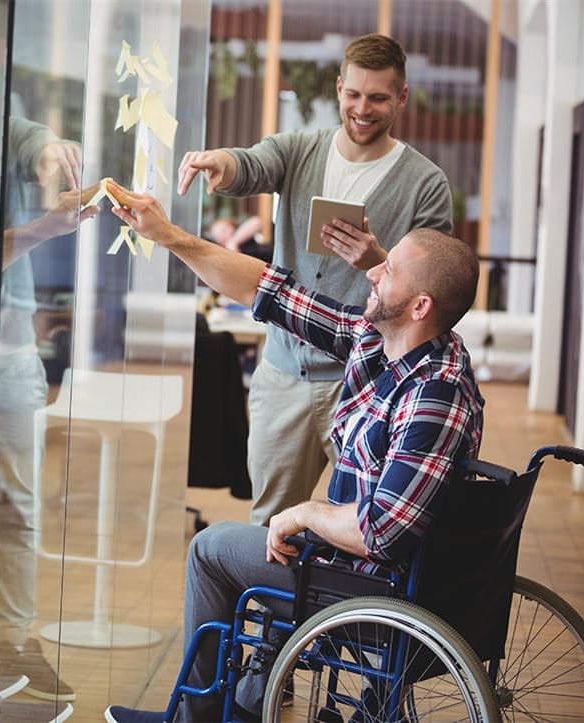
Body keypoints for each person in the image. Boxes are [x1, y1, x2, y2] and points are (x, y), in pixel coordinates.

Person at [103, 179, 482, 723]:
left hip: (374, 591)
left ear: (420, 305)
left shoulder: (434, 392)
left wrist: (305, 513)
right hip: (361, 570)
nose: (372, 270)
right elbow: (272, 291)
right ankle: (237, 703)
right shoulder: (381, 343)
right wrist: (167, 235)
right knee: (246, 548)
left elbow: (381, 531)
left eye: (389, 269)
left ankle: (199, 719)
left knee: (212, 549)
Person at [177, 34, 454, 526]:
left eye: (378, 98)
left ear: (402, 97)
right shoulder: (301, 150)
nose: (362, 109)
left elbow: (433, 286)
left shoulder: (425, 183)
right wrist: (221, 162)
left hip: (367, 384)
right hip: (284, 376)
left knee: (358, 523)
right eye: (353, 94)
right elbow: (253, 163)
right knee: (270, 525)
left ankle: (335, 607)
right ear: (339, 87)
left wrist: (378, 259)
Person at [0, 116, 97, 717]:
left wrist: (50, 150)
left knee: (20, 505)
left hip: (7, 347)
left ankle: (12, 646)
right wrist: (39, 231)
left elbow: (24, 136)